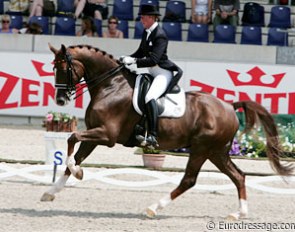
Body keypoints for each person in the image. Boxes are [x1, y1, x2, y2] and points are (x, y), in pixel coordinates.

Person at [120, 4, 183, 149]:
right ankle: (138, 129)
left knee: (150, 97)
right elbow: (141, 52)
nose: (141, 20)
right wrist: (127, 58)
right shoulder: (147, 32)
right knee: (138, 94)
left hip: (162, 72)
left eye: (143, 17)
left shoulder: (160, 35)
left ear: (151, 17)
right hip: (151, 71)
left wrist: (134, 61)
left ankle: (153, 135)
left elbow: (154, 59)